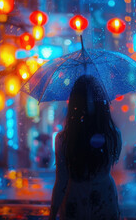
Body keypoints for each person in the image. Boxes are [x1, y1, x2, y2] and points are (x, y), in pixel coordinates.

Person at [49, 75, 122, 220]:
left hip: (75, 202)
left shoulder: (63, 139)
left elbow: (61, 181)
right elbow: (115, 158)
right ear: (102, 104)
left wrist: (52, 213)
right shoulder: (113, 135)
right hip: (105, 200)